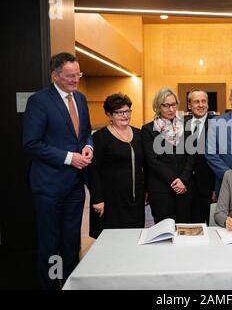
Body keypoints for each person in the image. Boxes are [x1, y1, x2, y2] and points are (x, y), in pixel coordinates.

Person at [23, 52, 93, 289]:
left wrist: (87, 147)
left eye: (78, 75)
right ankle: (52, 286)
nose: (75, 80)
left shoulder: (81, 99)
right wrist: (68, 158)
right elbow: (31, 143)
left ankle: (71, 284)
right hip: (49, 187)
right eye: (70, 76)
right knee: (50, 245)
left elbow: (85, 133)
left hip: (75, 186)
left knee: (72, 242)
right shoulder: (39, 101)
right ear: (55, 75)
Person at [87, 94, 145, 239]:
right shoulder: (100, 137)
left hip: (135, 198)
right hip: (111, 199)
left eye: (127, 111)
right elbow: (92, 170)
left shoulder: (139, 134)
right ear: (109, 114)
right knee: (112, 240)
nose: (125, 115)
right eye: (119, 112)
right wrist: (97, 199)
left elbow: (145, 165)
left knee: (134, 237)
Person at [142, 87, 195, 223]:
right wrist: (174, 181)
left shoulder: (187, 125)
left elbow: (192, 156)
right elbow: (152, 161)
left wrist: (183, 180)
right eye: (166, 105)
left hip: (185, 187)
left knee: (184, 228)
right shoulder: (148, 129)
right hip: (161, 189)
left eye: (173, 104)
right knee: (164, 229)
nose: (171, 109)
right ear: (157, 107)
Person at [185, 89, 215, 224]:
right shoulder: (179, 124)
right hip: (186, 185)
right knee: (189, 225)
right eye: (196, 102)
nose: (201, 105)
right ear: (189, 105)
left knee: (212, 225)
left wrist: (217, 187)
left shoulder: (218, 124)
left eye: (204, 101)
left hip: (210, 185)